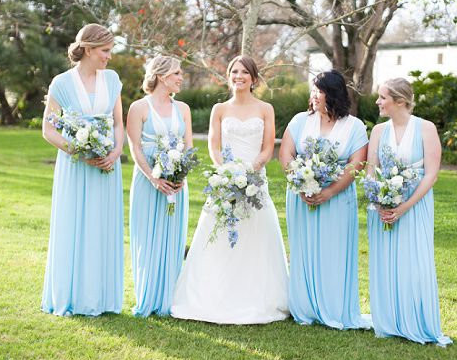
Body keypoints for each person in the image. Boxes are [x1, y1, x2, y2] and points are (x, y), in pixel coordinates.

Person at [170, 55, 289, 324]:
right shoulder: (219, 109)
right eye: (234, 71)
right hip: (225, 180)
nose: (239, 76)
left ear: (254, 79)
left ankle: (257, 298)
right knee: (220, 235)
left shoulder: (265, 109)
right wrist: (227, 173)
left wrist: (250, 172)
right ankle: (213, 297)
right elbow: (214, 146)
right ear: (229, 75)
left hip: (255, 179)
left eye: (244, 72)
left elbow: (269, 147)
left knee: (257, 235)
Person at [41, 23, 124, 316]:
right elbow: (48, 131)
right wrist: (78, 151)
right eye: (105, 51)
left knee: (102, 227)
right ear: (88, 50)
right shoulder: (61, 83)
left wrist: (115, 152)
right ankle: (71, 295)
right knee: (74, 225)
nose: (108, 56)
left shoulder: (112, 80)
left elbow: (118, 124)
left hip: (106, 168)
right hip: (75, 168)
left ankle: (102, 299)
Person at [279, 70, 371, 330]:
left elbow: (357, 164)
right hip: (301, 198)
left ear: (333, 94)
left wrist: (329, 191)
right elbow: (286, 154)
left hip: (338, 200)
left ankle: (333, 306)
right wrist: (300, 183)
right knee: (304, 250)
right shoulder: (300, 121)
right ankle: (304, 307)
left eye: (319, 91)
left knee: (334, 251)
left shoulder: (354, 126)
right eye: (313, 90)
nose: (314, 96)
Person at [367, 78, 452, 346]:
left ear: (400, 101)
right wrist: (379, 201)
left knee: (414, 263)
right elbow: (371, 170)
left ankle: (416, 321)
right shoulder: (379, 131)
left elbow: (432, 174)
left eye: (382, 97)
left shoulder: (425, 128)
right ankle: (390, 321)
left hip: (415, 205)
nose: (378, 102)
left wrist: (404, 206)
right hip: (382, 208)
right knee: (386, 262)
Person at [126, 56, 193, 317]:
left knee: (172, 239)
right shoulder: (138, 108)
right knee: (147, 238)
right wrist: (153, 178)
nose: (180, 77)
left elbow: (188, 146)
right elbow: (134, 147)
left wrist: (181, 175)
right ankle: (147, 297)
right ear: (162, 76)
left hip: (176, 184)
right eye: (176, 73)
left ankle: (169, 299)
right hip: (147, 182)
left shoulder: (183, 109)